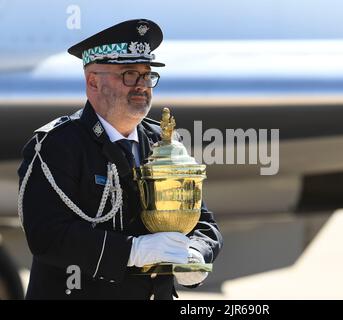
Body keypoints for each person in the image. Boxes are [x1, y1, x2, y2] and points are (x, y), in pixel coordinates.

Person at [17, 19, 223, 300]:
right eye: (129, 74)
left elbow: (203, 221)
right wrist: (132, 251)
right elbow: (47, 236)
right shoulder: (57, 145)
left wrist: (196, 253)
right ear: (93, 82)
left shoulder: (162, 144)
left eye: (147, 75)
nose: (141, 85)